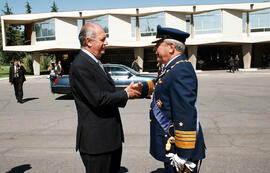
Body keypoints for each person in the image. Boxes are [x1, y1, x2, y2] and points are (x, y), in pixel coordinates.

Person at [69, 23, 142, 173]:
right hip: (97, 144)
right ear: (89, 41)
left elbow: (106, 91)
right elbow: (98, 99)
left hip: (109, 140)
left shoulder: (93, 62)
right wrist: (126, 94)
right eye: (102, 39)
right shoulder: (81, 65)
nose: (106, 43)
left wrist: (126, 91)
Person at [149, 25, 206, 173]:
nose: (155, 49)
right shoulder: (172, 67)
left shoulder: (181, 70)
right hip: (172, 144)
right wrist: (141, 89)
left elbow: (185, 112)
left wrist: (183, 154)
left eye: (157, 45)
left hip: (178, 148)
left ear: (171, 47)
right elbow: (162, 86)